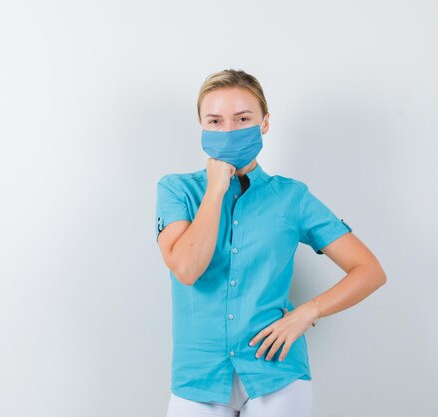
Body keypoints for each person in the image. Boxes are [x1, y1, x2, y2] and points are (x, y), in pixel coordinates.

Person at [155, 69, 387, 417]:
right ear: (201, 126)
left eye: (243, 118)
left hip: (276, 372)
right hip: (198, 377)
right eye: (215, 121)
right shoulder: (176, 190)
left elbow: (369, 271)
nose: (229, 130)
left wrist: (308, 313)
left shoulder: (292, 197)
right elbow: (187, 269)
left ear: (264, 123)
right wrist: (216, 189)